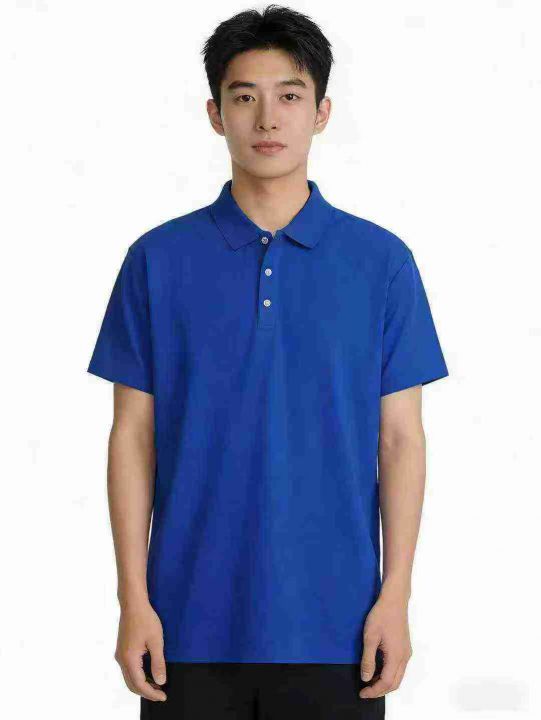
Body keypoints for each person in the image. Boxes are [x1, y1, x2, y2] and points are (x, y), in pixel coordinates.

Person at [87, 5, 449, 718]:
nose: (267, 118)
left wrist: (395, 598)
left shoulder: (381, 263)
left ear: (321, 112)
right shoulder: (157, 260)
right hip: (184, 625)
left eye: (289, 95)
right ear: (215, 114)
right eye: (244, 96)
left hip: (340, 627)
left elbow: (400, 440)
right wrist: (133, 600)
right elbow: (132, 437)